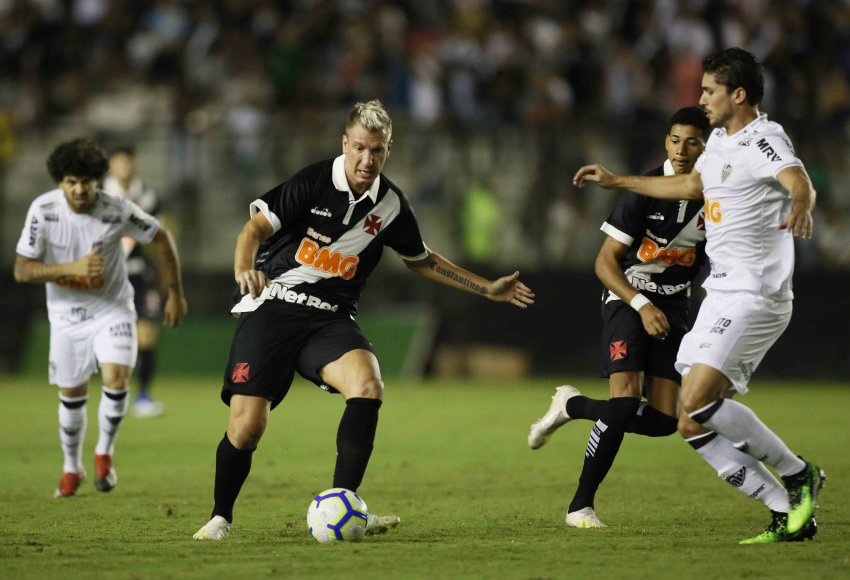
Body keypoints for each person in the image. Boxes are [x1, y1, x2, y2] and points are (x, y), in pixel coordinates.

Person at [193, 100, 535, 541]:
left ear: (389, 149)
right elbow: (253, 230)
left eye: (376, 150)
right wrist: (244, 269)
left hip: (330, 317)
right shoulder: (315, 180)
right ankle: (220, 517)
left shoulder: (391, 205)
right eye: (358, 148)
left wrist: (485, 287)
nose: (366, 160)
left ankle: (346, 505)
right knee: (247, 427)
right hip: (274, 305)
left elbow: (422, 260)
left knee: (368, 385)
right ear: (344, 144)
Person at [572, 47, 824, 544]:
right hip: (721, 294)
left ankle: (797, 475)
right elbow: (690, 184)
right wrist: (617, 180)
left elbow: (798, 180)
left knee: (698, 400)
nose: (701, 97)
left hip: (756, 294)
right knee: (685, 422)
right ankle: (785, 511)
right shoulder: (720, 146)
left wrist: (801, 204)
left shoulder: (762, 138)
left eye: (709, 90)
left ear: (738, 94)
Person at [528, 106, 710, 528]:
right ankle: (580, 507)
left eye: (693, 141)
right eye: (675, 139)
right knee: (625, 400)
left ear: (707, 146)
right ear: (666, 141)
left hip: (675, 307)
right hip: (627, 298)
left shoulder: (716, 194)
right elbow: (605, 263)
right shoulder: (644, 189)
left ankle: (571, 405)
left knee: (665, 421)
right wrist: (641, 305)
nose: (682, 149)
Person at [14, 137, 188, 498]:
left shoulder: (117, 208)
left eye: (86, 182)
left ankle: (104, 453)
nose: (78, 190)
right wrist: (71, 268)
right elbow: (22, 269)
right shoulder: (42, 210)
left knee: (116, 376)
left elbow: (161, 237)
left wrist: (175, 292)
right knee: (72, 393)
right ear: (60, 181)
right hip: (65, 316)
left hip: (112, 307)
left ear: (97, 181)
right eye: (70, 182)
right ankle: (70, 467)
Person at [103, 145, 166, 418]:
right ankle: (111, 393)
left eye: (129, 162)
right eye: (120, 163)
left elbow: (160, 238)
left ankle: (143, 396)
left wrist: (167, 277)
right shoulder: (97, 195)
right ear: (111, 166)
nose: (126, 167)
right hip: (106, 275)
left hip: (139, 272)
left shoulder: (148, 196)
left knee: (148, 334)